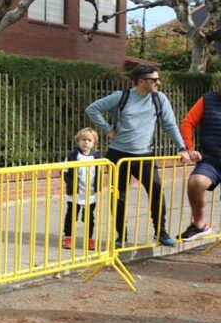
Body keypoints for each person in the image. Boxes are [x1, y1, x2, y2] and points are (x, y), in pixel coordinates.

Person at [85, 64, 190, 247]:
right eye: (154, 80)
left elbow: (170, 125)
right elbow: (92, 109)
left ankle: (161, 232)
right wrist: (108, 130)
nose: (158, 82)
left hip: (144, 155)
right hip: (119, 155)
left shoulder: (159, 99)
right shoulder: (122, 97)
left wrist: (182, 147)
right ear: (142, 81)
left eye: (158, 79)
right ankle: (121, 235)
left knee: (156, 189)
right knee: (119, 195)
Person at [178, 89, 221, 240]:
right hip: (212, 159)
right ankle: (199, 225)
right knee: (196, 182)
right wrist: (189, 149)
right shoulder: (208, 99)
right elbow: (188, 123)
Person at [62, 127, 101, 250]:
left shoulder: (97, 157)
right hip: (75, 192)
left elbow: (99, 172)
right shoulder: (73, 156)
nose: (86, 142)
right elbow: (65, 172)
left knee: (89, 217)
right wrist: (71, 185)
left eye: (89, 140)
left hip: (90, 192)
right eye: (83, 139)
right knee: (71, 215)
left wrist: (99, 185)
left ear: (94, 143)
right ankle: (68, 237)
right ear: (78, 141)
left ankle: (89, 239)